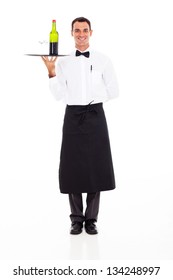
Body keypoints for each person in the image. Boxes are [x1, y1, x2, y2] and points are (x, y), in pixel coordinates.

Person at [41, 17, 119, 235]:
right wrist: (51, 71)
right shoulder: (63, 61)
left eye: (85, 30)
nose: (81, 34)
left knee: (96, 167)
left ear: (91, 33)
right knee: (72, 167)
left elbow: (114, 91)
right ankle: (76, 219)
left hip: (95, 114)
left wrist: (91, 97)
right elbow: (58, 95)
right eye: (77, 30)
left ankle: (91, 219)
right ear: (72, 33)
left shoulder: (103, 60)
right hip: (73, 116)